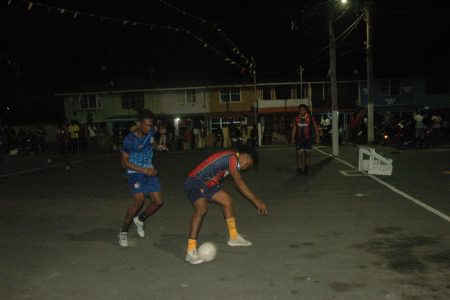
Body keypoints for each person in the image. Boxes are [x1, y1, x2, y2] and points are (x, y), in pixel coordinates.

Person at [184, 146, 268, 264]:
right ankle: (191, 250)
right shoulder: (232, 157)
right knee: (202, 208)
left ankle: (233, 237)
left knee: (227, 201)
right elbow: (238, 183)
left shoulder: (232, 159)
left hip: (209, 184)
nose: (246, 167)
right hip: (195, 181)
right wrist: (256, 200)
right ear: (244, 155)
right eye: (248, 164)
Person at [118, 109, 164, 247]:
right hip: (135, 173)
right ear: (138, 124)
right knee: (139, 200)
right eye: (146, 125)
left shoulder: (150, 131)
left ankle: (140, 219)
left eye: (151, 125)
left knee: (158, 201)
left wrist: (157, 146)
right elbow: (124, 163)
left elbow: (151, 142)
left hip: (149, 171)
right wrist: (144, 170)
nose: (149, 128)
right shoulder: (129, 140)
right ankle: (123, 231)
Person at [291, 104, 319, 175]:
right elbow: (294, 128)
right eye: (300, 110)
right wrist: (292, 138)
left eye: (303, 110)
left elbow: (315, 127)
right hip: (299, 139)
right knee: (299, 154)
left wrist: (317, 138)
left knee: (308, 154)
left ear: (306, 110)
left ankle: (306, 168)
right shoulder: (296, 118)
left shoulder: (310, 118)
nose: (301, 111)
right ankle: (299, 169)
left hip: (308, 139)